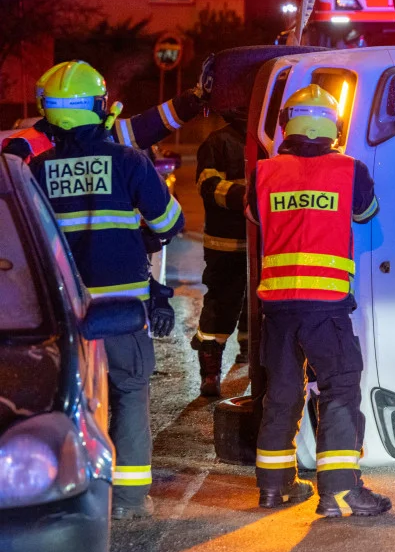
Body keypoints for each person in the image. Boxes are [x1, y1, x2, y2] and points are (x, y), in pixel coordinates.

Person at [30, 61, 184, 520]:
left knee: (67, 400)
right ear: (100, 108)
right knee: (129, 392)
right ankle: (131, 501)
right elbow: (169, 223)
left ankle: (71, 494)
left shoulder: (36, 169)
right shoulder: (128, 161)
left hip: (64, 309)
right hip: (120, 309)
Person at [246, 84, 387, 517]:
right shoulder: (351, 170)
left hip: (277, 308)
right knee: (340, 391)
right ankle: (341, 493)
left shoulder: (263, 172)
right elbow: (367, 214)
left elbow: (256, 215)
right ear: (332, 126)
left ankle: (273, 488)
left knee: (282, 396)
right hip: (326, 308)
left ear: (288, 124)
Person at [2, 61, 205, 162]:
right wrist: (197, 97)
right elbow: (149, 126)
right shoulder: (106, 135)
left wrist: (193, 99)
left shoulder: (20, 146)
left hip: (48, 243)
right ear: (97, 103)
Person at [193, 106, 250, 397]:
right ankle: (210, 372)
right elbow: (207, 184)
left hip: (262, 243)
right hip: (226, 243)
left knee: (257, 307)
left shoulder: (271, 140)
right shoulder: (218, 141)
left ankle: (249, 355)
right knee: (221, 306)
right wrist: (247, 195)